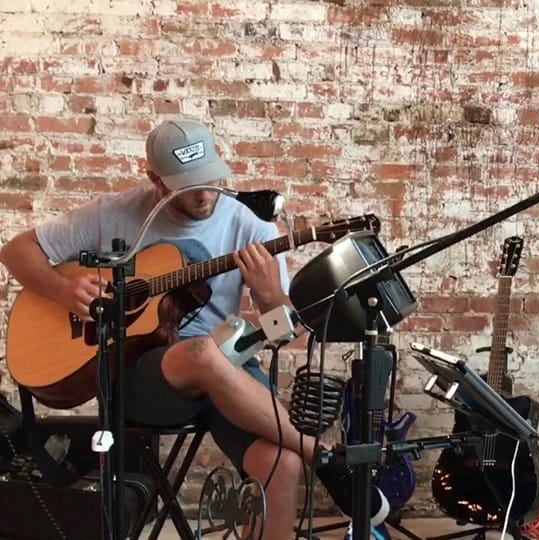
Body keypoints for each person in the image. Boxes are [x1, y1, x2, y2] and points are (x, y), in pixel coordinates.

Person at [0, 118, 389, 539]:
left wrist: (270, 294)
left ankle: (306, 457)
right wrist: (62, 290)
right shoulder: (115, 213)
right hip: (141, 374)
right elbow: (16, 250)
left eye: (210, 179)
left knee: (282, 463)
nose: (204, 194)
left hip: (229, 372)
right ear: (156, 180)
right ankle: (324, 456)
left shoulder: (252, 223)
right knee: (201, 352)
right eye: (188, 186)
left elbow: (283, 335)